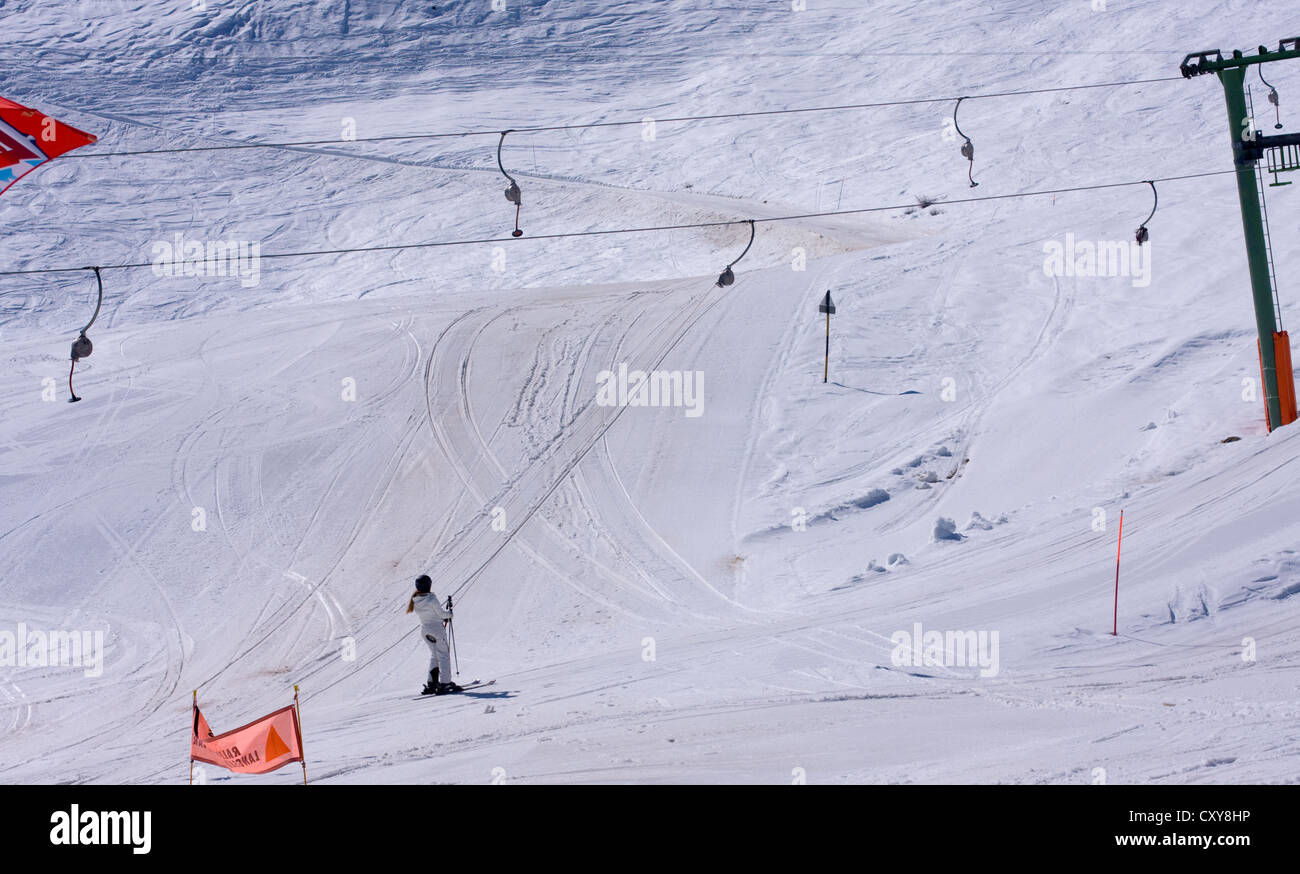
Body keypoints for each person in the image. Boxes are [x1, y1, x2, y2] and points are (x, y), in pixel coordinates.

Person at [406, 575, 463, 695]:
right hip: (437, 630)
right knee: (443, 655)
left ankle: (431, 683)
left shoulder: (415, 600)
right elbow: (441, 614)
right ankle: (445, 683)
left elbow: (432, 614)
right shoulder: (431, 599)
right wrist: (450, 614)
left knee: (434, 655)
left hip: (425, 630)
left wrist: (442, 617)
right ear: (429, 585)